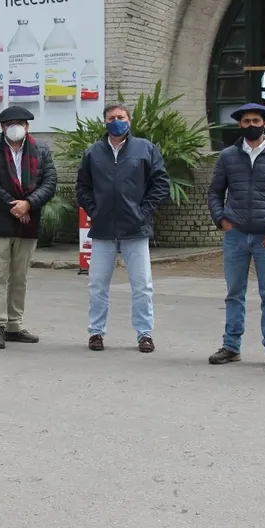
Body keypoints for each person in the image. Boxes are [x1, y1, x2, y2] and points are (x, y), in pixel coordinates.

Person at [207, 103, 265, 370]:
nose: (251, 125)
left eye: (256, 121)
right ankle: (231, 346)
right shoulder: (228, 156)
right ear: (240, 124)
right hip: (235, 234)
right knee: (234, 293)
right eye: (246, 121)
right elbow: (215, 191)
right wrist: (220, 218)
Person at [75, 103, 170, 353]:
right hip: (103, 229)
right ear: (104, 122)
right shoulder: (93, 152)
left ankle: (144, 334)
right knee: (97, 285)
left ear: (129, 120)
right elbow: (82, 187)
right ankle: (96, 332)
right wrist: (95, 211)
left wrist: (143, 212)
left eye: (120, 117)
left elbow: (161, 184)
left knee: (142, 286)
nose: (116, 121)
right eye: (111, 118)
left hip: (135, 229)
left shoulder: (145, 149)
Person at [0, 105, 58, 349]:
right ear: (2, 127)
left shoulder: (41, 149)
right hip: (0, 221)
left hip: (28, 223)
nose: (15, 128)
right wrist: (14, 206)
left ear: (27, 126)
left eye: (20, 123)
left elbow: (50, 181)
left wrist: (29, 204)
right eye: (10, 124)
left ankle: (14, 325)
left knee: (20, 277)